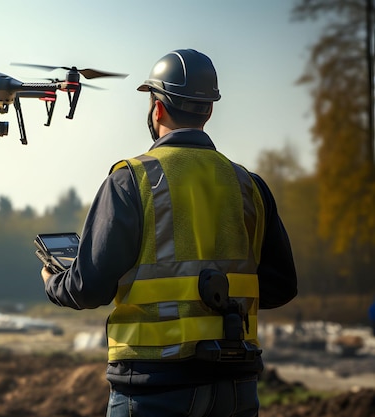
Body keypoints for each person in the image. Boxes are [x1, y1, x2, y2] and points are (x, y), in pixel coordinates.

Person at [40, 49, 298, 417]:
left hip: (153, 389)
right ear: (208, 110)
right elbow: (280, 286)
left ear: (156, 108)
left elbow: (88, 287)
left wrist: (53, 282)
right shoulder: (249, 185)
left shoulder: (131, 180)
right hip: (235, 386)